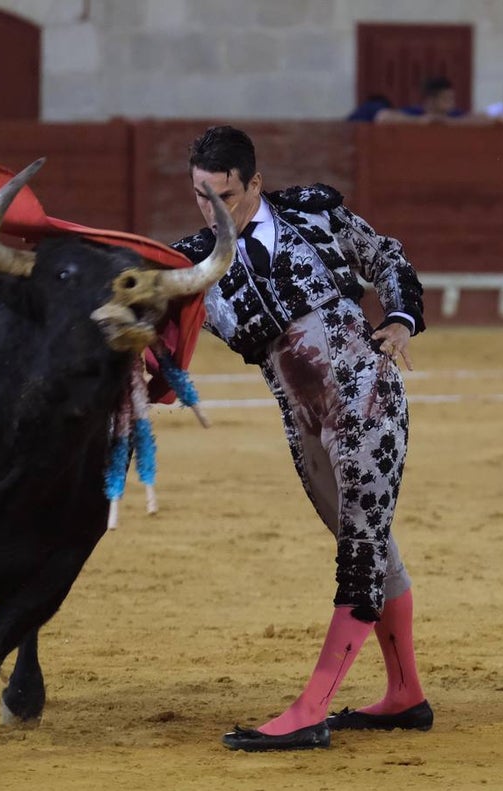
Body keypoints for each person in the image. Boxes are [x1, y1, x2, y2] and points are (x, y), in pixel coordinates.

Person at [172, 125, 431, 751]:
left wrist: (398, 320)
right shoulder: (192, 263)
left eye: (224, 196)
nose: (212, 211)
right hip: (304, 421)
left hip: (364, 395)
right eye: (200, 196)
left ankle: (310, 709)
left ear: (253, 184)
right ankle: (405, 695)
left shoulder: (313, 214)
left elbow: (387, 258)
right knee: (366, 544)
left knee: (361, 555)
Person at [376, 76, 465, 124]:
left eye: (451, 98)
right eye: (446, 98)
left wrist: (449, 122)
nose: (452, 102)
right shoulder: (416, 112)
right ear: (431, 101)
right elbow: (382, 116)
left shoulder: (452, 114)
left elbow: (478, 119)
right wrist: (419, 120)